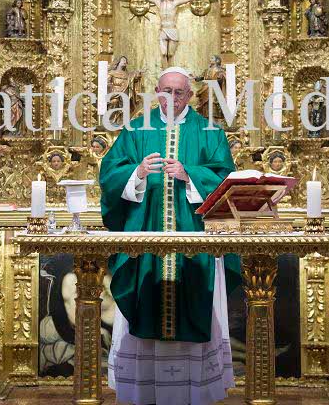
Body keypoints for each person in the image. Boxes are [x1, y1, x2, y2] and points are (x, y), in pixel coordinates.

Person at [100, 67, 240, 405]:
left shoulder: (209, 132)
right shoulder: (136, 129)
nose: (171, 98)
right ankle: (144, 391)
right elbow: (109, 174)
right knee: (145, 304)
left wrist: (190, 174)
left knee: (195, 300)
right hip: (145, 238)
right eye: (165, 91)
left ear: (190, 95)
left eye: (179, 92)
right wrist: (137, 173)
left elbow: (226, 180)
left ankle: (196, 392)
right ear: (156, 92)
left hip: (196, 239)